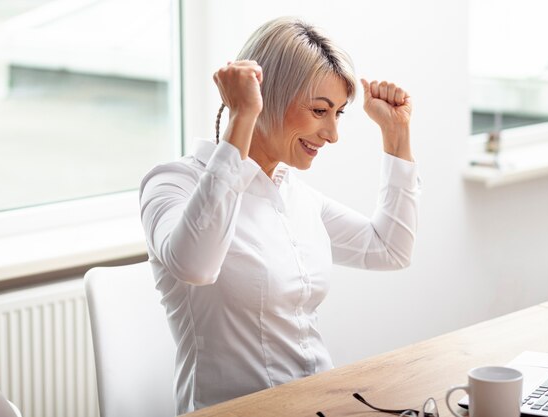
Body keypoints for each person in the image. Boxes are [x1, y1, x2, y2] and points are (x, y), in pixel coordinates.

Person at [139, 16, 419, 414]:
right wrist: (241, 118)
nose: (332, 134)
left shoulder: (295, 195)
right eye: (320, 110)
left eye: (337, 113)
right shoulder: (172, 183)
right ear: (263, 98)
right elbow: (196, 266)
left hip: (317, 405)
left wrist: (396, 136)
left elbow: (389, 250)